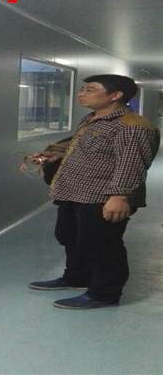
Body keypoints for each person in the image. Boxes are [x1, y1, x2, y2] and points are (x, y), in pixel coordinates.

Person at [26, 74, 160, 309]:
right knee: (69, 236)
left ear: (115, 95)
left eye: (90, 90)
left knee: (102, 245)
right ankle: (76, 277)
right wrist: (54, 154)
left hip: (103, 196)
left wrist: (120, 196)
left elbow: (131, 163)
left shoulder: (132, 126)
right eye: (83, 89)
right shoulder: (91, 119)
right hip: (74, 192)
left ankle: (104, 294)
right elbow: (81, 148)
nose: (81, 94)